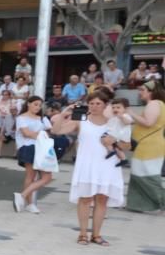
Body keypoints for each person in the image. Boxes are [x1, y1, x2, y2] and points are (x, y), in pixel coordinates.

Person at [51, 90, 123, 246]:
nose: (95, 106)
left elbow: (126, 143)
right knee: (85, 199)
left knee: (102, 199)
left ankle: (96, 235)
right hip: (87, 164)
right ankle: (83, 233)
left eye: (98, 103)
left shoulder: (113, 121)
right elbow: (56, 130)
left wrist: (115, 141)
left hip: (107, 165)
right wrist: (64, 113)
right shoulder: (81, 120)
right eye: (91, 103)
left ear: (105, 105)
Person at [125, 81, 164, 213]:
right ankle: (141, 205)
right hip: (148, 145)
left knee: (148, 176)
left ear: (151, 92)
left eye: (142, 90)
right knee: (141, 174)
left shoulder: (154, 104)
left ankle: (159, 202)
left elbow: (149, 123)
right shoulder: (157, 104)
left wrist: (131, 112)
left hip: (149, 146)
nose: (140, 92)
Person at [12, 96, 53, 214]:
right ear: (28, 104)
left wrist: (41, 134)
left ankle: (23, 196)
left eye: (39, 105)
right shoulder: (22, 118)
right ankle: (29, 203)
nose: (38, 107)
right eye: (35, 104)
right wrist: (41, 134)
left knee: (47, 177)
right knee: (31, 175)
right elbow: (26, 133)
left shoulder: (42, 118)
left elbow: (50, 132)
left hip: (42, 148)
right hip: (28, 147)